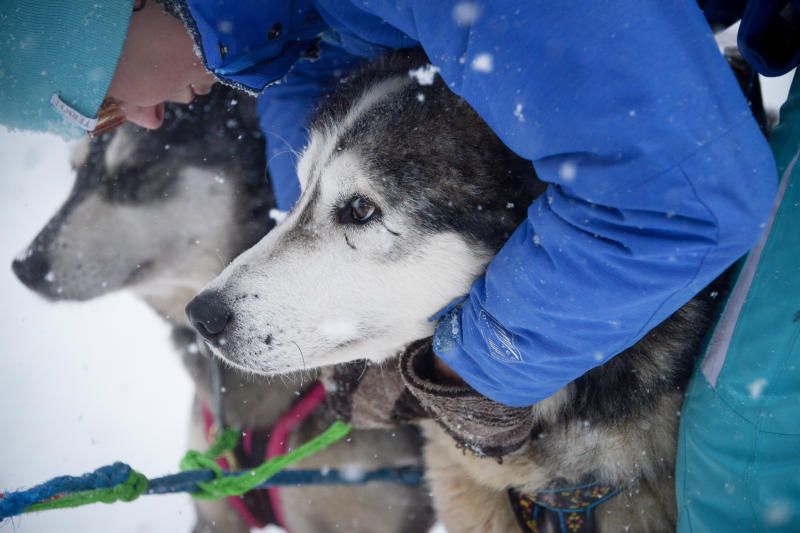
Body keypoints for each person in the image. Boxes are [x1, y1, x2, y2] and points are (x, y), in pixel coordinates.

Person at [0, 0, 794, 527]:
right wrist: (360, 325)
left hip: (710, 179)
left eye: (97, 99)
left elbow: (684, 198)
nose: (134, 118)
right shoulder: (272, 18)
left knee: (744, 449)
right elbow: (308, 93)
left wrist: (471, 366)